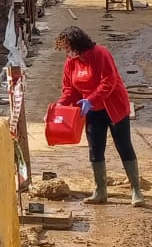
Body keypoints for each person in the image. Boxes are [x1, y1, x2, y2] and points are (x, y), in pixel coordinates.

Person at [55, 25, 144, 206]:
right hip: (91, 111)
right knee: (95, 148)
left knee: (123, 145)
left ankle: (136, 189)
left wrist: (92, 99)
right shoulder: (70, 63)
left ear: (77, 44)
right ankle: (100, 191)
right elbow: (69, 89)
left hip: (113, 107)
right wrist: (60, 107)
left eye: (67, 48)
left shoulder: (100, 54)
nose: (66, 52)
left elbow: (108, 81)